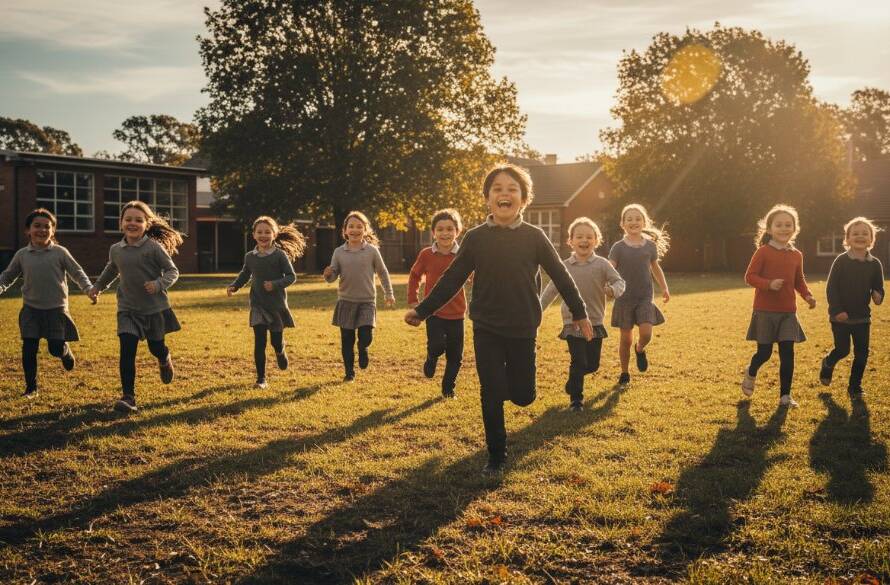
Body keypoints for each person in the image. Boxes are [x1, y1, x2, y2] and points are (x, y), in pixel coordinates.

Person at [405, 163, 593, 475]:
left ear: (524, 199)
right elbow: (452, 279)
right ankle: (496, 455)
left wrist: (581, 313)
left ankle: (506, 387)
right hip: (486, 326)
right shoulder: (476, 238)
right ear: (488, 199)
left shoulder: (535, 237)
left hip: (522, 326)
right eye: (497, 189)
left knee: (523, 396)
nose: (504, 194)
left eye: (511, 189)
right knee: (489, 391)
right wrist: (422, 310)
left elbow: (561, 276)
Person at [89, 201, 183, 413]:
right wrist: (97, 287)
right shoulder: (116, 249)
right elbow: (111, 270)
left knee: (155, 347)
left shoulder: (153, 247)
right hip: (127, 309)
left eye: (138, 220)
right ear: (121, 223)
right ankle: (128, 397)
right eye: (128, 219)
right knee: (127, 350)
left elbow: (172, 271)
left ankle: (164, 357)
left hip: (154, 309)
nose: (132, 223)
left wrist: (158, 284)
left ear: (147, 224)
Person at [0, 208, 92, 399]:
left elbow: (77, 272)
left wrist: (88, 288)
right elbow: (7, 277)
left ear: (53, 230)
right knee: (29, 347)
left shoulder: (60, 252)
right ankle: (31, 388)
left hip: (56, 309)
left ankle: (65, 351)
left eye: (46, 226)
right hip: (31, 309)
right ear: (28, 230)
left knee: (55, 347)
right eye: (37, 226)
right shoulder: (22, 255)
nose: (41, 230)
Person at [541, 217, 625, 411]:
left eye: (589, 236)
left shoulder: (603, 264)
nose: (584, 240)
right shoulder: (564, 266)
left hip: (595, 321)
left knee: (592, 364)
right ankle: (576, 400)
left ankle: (573, 380)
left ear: (596, 240)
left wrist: (613, 290)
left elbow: (620, 282)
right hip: (572, 322)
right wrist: (538, 310)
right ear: (570, 241)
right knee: (578, 360)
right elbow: (551, 290)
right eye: (579, 236)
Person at [741, 204, 816, 408]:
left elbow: (799, 280)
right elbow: (749, 277)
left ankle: (785, 396)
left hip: (788, 313)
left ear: (795, 228)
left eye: (788, 225)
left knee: (787, 353)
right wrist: (768, 284)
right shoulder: (763, 252)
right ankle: (751, 370)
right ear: (769, 228)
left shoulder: (796, 255)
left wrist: (807, 296)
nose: (784, 228)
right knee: (764, 353)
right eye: (779, 225)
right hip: (765, 312)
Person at [227, 216, 305, 389]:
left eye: (267, 232)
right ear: (253, 235)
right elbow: (245, 274)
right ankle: (261, 379)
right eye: (259, 232)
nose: (263, 235)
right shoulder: (250, 257)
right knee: (259, 341)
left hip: (276, 305)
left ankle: (280, 350)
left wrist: (275, 284)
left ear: (274, 234)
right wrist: (235, 286)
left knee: (275, 341)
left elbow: (292, 277)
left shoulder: (279, 256)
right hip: (258, 304)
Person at [323, 211, 395, 381]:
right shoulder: (339, 252)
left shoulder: (371, 251)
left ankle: (363, 349)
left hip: (367, 302)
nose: (355, 230)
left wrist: (389, 293)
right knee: (346, 339)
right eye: (351, 226)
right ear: (345, 230)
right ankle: (349, 373)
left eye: (359, 227)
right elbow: (332, 276)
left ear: (365, 230)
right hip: (346, 301)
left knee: (365, 336)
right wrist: (328, 274)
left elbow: (382, 273)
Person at [819, 217, 884, 400]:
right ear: (847, 239)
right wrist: (837, 310)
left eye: (865, 233)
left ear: (871, 239)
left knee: (862, 354)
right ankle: (828, 363)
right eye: (855, 234)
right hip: (840, 317)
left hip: (862, 317)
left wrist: (878, 295)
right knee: (842, 350)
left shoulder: (874, 264)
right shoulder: (841, 261)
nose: (860, 236)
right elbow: (831, 288)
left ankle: (855, 387)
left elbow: (878, 287)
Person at [407, 208, 467, 398]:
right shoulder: (426, 254)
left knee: (455, 357)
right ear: (433, 232)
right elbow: (415, 275)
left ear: (457, 231)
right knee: (437, 345)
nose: (445, 233)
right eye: (440, 229)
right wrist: (413, 300)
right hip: (433, 312)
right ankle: (431, 357)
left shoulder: (463, 255)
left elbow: (475, 276)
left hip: (457, 313)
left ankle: (448, 388)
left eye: (450, 229)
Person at [608, 203, 670, 387]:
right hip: (624, 299)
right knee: (625, 339)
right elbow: (609, 267)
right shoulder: (618, 247)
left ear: (644, 222)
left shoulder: (649, 246)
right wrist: (606, 283)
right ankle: (624, 373)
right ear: (622, 224)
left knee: (646, 333)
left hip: (644, 297)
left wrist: (664, 287)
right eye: (629, 219)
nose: (633, 222)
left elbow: (655, 268)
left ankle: (640, 348)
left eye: (637, 219)